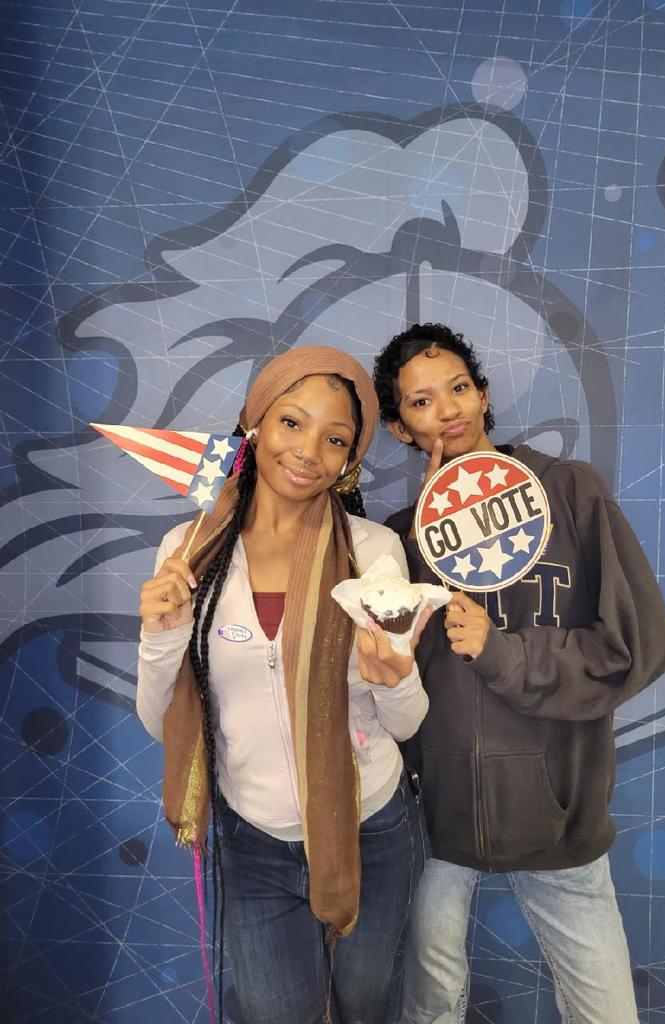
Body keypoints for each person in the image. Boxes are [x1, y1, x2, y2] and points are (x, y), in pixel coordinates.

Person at [372, 323, 665, 1024]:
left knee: (605, 1012)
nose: (446, 410)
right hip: (436, 827)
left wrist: (503, 651)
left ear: (482, 396)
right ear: (399, 428)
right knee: (431, 1007)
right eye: (421, 403)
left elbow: (636, 645)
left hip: (559, 821)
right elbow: (391, 690)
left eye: (457, 388)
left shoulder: (570, 491)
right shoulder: (400, 538)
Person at [136, 346, 432, 1024]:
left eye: (335, 439)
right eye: (291, 424)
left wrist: (397, 679)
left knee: (363, 1004)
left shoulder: (371, 553)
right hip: (253, 843)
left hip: (372, 829)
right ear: (255, 426)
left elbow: (408, 722)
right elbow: (160, 720)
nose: (308, 452)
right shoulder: (189, 552)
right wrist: (161, 635)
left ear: (350, 460)